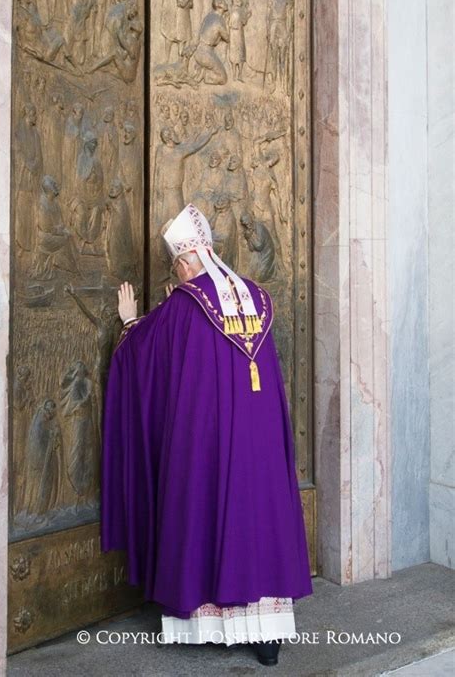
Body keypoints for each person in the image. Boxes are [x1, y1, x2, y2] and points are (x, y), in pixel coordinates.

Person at [100, 204, 312, 666]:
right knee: (260, 510)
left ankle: (216, 622)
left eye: (176, 263)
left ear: (186, 260)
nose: (177, 271)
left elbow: (143, 357)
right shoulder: (258, 297)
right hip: (261, 440)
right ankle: (268, 634)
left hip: (212, 439)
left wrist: (131, 322)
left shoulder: (184, 304)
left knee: (213, 504)